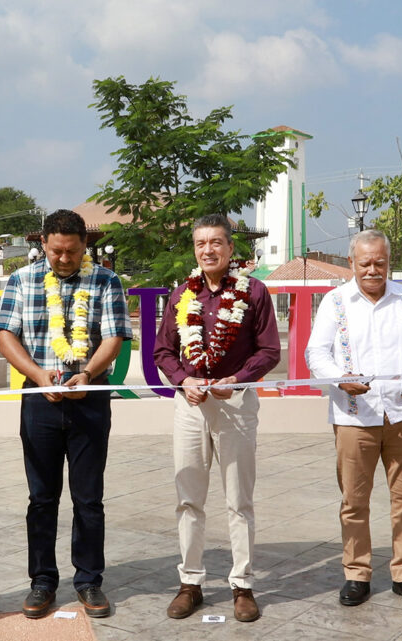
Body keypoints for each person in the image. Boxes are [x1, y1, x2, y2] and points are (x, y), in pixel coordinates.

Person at [0, 209, 133, 619]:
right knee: (41, 497)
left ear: (84, 245)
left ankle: (89, 580)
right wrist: (39, 376)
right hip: (40, 399)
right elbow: (5, 335)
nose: (64, 259)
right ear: (44, 245)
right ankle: (42, 581)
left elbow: (114, 337)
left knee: (89, 498)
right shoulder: (22, 279)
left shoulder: (106, 280)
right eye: (56, 251)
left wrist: (87, 373)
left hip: (89, 398)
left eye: (72, 251)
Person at [305, 229, 402, 609]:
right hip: (354, 417)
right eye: (364, 262)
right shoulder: (335, 302)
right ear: (351, 263)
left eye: (379, 262)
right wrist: (339, 379)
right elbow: (316, 352)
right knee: (354, 500)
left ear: (388, 263)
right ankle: (357, 573)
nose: (372, 269)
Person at [153, 214, 281, 623]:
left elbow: (269, 350)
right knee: (188, 497)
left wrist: (239, 379)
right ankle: (190, 583)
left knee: (238, 500)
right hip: (190, 405)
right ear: (195, 250)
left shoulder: (254, 292)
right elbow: (163, 352)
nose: (208, 250)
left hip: (236, 403)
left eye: (216, 243)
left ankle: (242, 586)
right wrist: (182, 380)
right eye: (200, 244)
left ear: (230, 248)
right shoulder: (180, 295)